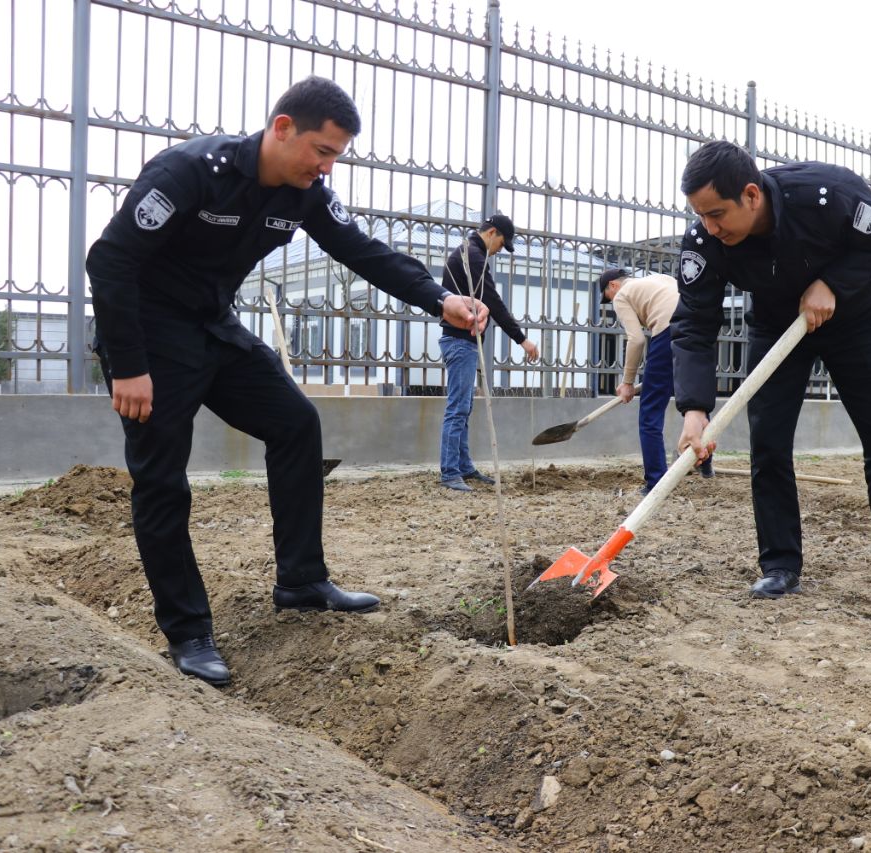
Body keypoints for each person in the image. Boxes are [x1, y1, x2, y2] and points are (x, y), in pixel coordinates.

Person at [85, 76, 489, 686]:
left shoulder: (305, 193)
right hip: (149, 335)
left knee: (296, 423)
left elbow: (363, 250)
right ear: (282, 129)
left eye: (336, 157)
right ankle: (189, 632)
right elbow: (109, 259)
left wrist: (440, 300)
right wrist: (130, 364)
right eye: (321, 151)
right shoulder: (190, 171)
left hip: (213, 327)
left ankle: (301, 581)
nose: (327, 167)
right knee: (163, 479)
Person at [672, 140, 871, 601]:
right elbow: (695, 324)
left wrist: (831, 283)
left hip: (855, 320)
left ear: (752, 196)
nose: (709, 227)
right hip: (777, 328)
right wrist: (694, 409)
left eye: (717, 213)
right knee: (769, 446)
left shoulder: (825, 193)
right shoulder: (705, 243)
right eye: (701, 215)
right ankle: (779, 565)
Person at [437, 215, 539, 492]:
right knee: (457, 409)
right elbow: (491, 300)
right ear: (492, 232)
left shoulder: (466, 253)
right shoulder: (473, 256)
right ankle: (449, 472)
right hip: (460, 341)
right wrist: (522, 340)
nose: (498, 250)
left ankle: (463, 466)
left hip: (461, 341)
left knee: (464, 407)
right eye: (501, 244)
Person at [598, 268, 713, 493]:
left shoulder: (622, 295)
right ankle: (706, 463)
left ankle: (656, 482)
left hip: (667, 332)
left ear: (612, 285)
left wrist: (628, 382)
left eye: (607, 296)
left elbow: (637, 340)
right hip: (696, 327)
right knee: (694, 400)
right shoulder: (658, 279)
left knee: (650, 411)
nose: (610, 300)